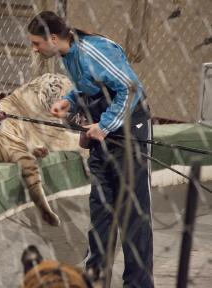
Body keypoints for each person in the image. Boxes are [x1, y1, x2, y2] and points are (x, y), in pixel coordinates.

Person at [27, 11, 154, 288]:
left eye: (37, 43)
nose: (34, 48)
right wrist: (70, 102)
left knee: (133, 213)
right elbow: (92, 88)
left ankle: (139, 283)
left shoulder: (92, 51)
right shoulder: (68, 55)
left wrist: (106, 125)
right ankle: (96, 278)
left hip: (130, 126)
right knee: (101, 208)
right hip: (103, 126)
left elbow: (130, 89)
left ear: (53, 38)